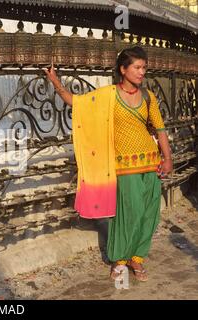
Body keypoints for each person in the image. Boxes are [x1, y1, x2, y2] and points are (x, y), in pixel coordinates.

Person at [44, 46, 173, 282]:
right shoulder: (108, 96)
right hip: (124, 167)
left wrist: (167, 158)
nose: (142, 72)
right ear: (123, 70)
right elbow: (76, 102)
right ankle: (119, 259)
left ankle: (137, 258)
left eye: (144, 67)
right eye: (137, 67)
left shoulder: (148, 97)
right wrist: (55, 82)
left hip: (151, 163)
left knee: (149, 214)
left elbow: (161, 129)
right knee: (128, 214)